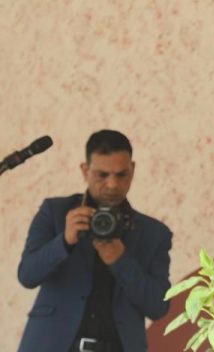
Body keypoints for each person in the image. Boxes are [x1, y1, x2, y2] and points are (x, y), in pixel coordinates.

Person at [18, 130, 172, 352]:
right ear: (85, 170)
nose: (112, 184)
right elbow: (27, 275)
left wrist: (120, 260)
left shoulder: (154, 233)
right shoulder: (55, 212)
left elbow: (158, 307)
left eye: (121, 174)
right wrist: (64, 242)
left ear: (133, 170)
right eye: (102, 175)